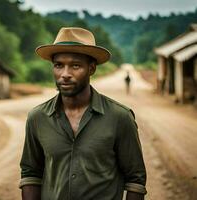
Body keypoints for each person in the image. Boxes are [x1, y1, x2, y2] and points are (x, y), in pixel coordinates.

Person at [19, 27, 147, 200]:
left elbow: (136, 180)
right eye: (58, 65)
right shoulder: (37, 118)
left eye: (75, 66)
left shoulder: (120, 117)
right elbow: (30, 174)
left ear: (91, 68)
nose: (65, 74)